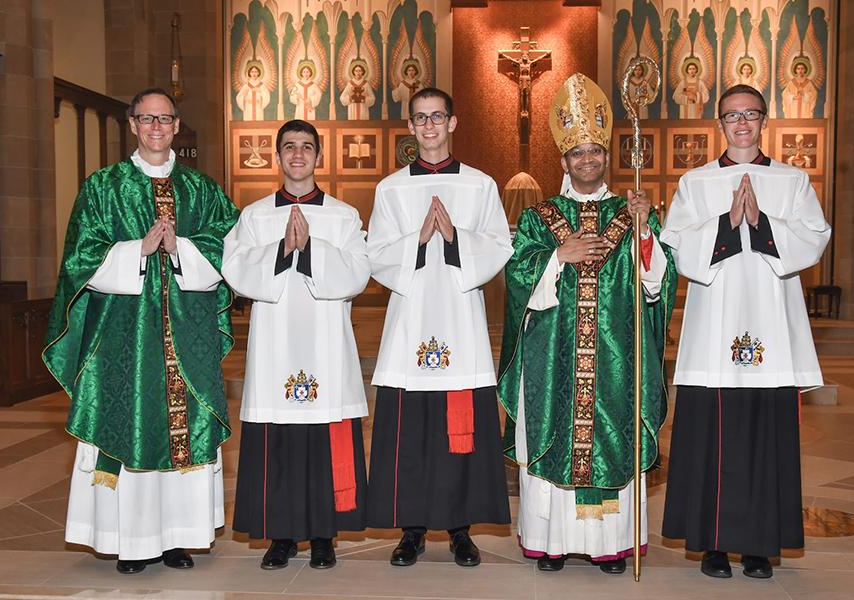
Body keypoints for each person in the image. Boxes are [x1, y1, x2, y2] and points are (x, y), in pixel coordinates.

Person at [43, 88, 239, 574]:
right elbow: (79, 258)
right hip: (121, 338)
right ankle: (131, 542)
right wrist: (137, 250)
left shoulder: (202, 190)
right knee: (129, 422)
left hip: (186, 338)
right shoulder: (102, 188)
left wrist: (182, 249)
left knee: (182, 428)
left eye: (165, 119)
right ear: (132, 124)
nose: (156, 127)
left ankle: (177, 538)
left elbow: (230, 246)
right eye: (147, 118)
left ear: (176, 125)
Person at [498, 72, 677, 574]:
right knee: (555, 436)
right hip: (555, 359)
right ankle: (550, 542)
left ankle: (609, 546)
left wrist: (644, 235)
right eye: (578, 153)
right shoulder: (541, 216)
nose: (588, 160)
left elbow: (655, 283)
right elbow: (517, 276)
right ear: (564, 161)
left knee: (611, 437)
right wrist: (559, 254)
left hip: (615, 360)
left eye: (596, 150)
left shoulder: (631, 210)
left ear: (606, 158)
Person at [660, 84, 831, 579]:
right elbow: (675, 247)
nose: (741, 123)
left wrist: (762, 222)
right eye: (732, 116)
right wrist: (724, 224)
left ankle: (759, 546)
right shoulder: (695, 183)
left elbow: (815, 238)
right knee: (712, 439)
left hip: (771, 330)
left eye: (750, 114)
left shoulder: (792, 181)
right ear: (719, 123)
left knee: (764, 440)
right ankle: (712, 545)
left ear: (762, 121)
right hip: (714, 329)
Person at [366, 87, 513, 568]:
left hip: (459, 322)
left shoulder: (480, 185)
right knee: (410, 433)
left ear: (453, 122)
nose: (429, 126)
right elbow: (377, 257)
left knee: (460, 431)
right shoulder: (391, 189)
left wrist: (455, 238)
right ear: (410, 127)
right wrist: (419, 237)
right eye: (419, 118)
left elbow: (497, 248)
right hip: (410, 324)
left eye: (437, 117)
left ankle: (459, 530)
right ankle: (410, 531)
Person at [223, 119, 370, 571]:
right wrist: (282, 251)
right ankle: (281, 536)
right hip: (275, 349)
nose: (298, 155)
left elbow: (358, 274)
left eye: (307, 147)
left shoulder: (343, 216)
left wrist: (311, 249)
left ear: (319, 156)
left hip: (327, 348)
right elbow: (236, 270)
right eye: (289, 147)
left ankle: (324, 536)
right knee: (280, 441)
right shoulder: (254, 216)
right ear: (278, 156)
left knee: (324, 439)